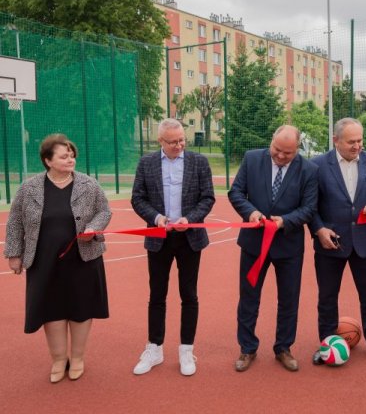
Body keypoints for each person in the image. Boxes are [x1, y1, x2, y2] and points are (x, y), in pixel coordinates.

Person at [4, 134, 111, 383]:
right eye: (64, 156)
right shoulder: (29, 187)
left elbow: (104, 210)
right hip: (44, 260)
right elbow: (15, 221)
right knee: (51, 310)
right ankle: (58, 359)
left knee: (81, 309)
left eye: (72, 154)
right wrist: (14, 254)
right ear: (48, 160)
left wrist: (93, 228)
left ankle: (78, 357)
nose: (70, 159)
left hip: (83, 259)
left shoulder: (89, 184)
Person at [228, 125, 318, 372]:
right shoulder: (251, 158)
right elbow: (236, 192)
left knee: (289, 300)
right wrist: (251, 212)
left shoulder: (309, 170)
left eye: (287, 153)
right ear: (271, 142)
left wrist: (284, 221)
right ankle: (247, 348)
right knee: (249, 298)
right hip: (254, 244)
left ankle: (283, 348)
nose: (280, 156)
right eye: (277, 149)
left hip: (288, 245)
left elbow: (309, 208)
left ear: (297, 150)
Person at [309, 117, 366, 365]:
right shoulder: (316, 165)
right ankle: (326, 343)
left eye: (360, 140)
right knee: (327, 297)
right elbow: (310, 205)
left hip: (365, 241)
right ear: (335, 140)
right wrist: (319, 230)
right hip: (330, 242)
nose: (357, 145)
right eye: (351, 142)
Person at [131, 118, 214, 376]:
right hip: (159, 237)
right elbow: (138, 198)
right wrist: (157, 218)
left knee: (189, 294)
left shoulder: (199, 162)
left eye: (181, 140)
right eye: (173, 141)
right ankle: (154, 348)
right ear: (160, 141)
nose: (179, 145)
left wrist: (190, 220)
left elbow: (207, 197)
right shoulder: (146, 163)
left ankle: (186, 350)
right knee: (157, 295)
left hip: (190, 238)